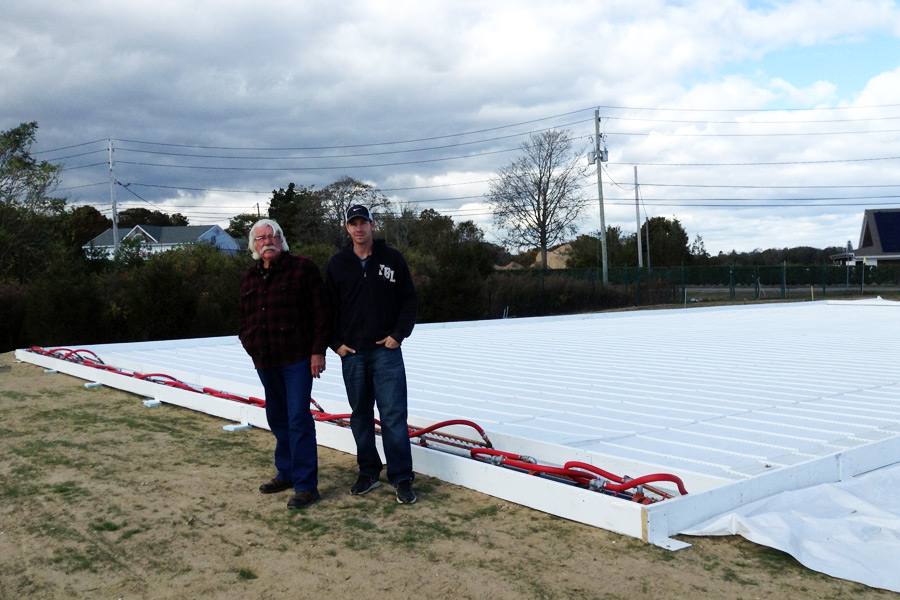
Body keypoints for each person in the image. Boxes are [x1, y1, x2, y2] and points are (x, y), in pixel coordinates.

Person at [326, 205, 419, 504]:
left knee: (393, 416)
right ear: (347, 228)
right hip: (352, 354)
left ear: (372, 225)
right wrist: (335, 344)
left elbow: (409, 300)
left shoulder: (392, 259)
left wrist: (398, 335)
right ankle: (368, 472)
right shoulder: (338, 264)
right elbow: (327, 309)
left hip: (386, 353)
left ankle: (402, 477)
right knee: (360, 417)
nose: (359, 228)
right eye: (353, 224)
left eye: (363, 222)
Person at [238, 219, 330, 510]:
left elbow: (320, 313)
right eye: (261, 238)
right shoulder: (250, 276)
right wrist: (251, 347)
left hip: (297, 360)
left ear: (281, 239)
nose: (268, 242)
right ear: (254, 245)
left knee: (298, 419)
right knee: (277, 418)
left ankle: (306, 486)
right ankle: (287, 473)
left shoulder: (303, 268)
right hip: (266, 361)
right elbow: (243, 318)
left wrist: (318, 352)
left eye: (273, 236)